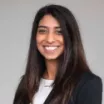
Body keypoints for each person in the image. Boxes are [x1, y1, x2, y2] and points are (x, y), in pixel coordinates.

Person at [13, 4, 102, 104]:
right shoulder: (26, 82)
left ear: (71, 37)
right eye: (42, 31)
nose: (50, 39)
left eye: (59, 32)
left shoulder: (88, 83)